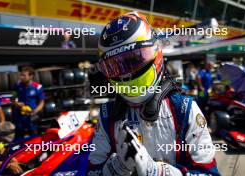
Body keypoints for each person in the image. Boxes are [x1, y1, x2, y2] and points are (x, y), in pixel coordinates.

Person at [86, 12, 220, 176]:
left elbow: (209, 173)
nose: (126, 74)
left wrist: (159, 172)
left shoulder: (184, 109)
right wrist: (118, 167)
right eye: (115, 66)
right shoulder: (107, 114)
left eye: (134, 60)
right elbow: (92, 172)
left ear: (156, 54)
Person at [12, 66, 44, 139]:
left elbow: (42, 102)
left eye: (24, 75)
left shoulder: (37, 87)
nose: (21, 77)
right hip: (19, 116)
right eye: (21, 75)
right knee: (18, 136)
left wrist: (35, 111)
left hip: (31, 116)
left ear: (31, 76)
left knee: (34, 136)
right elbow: (12, 99)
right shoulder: (17, 85)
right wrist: (16, 103)